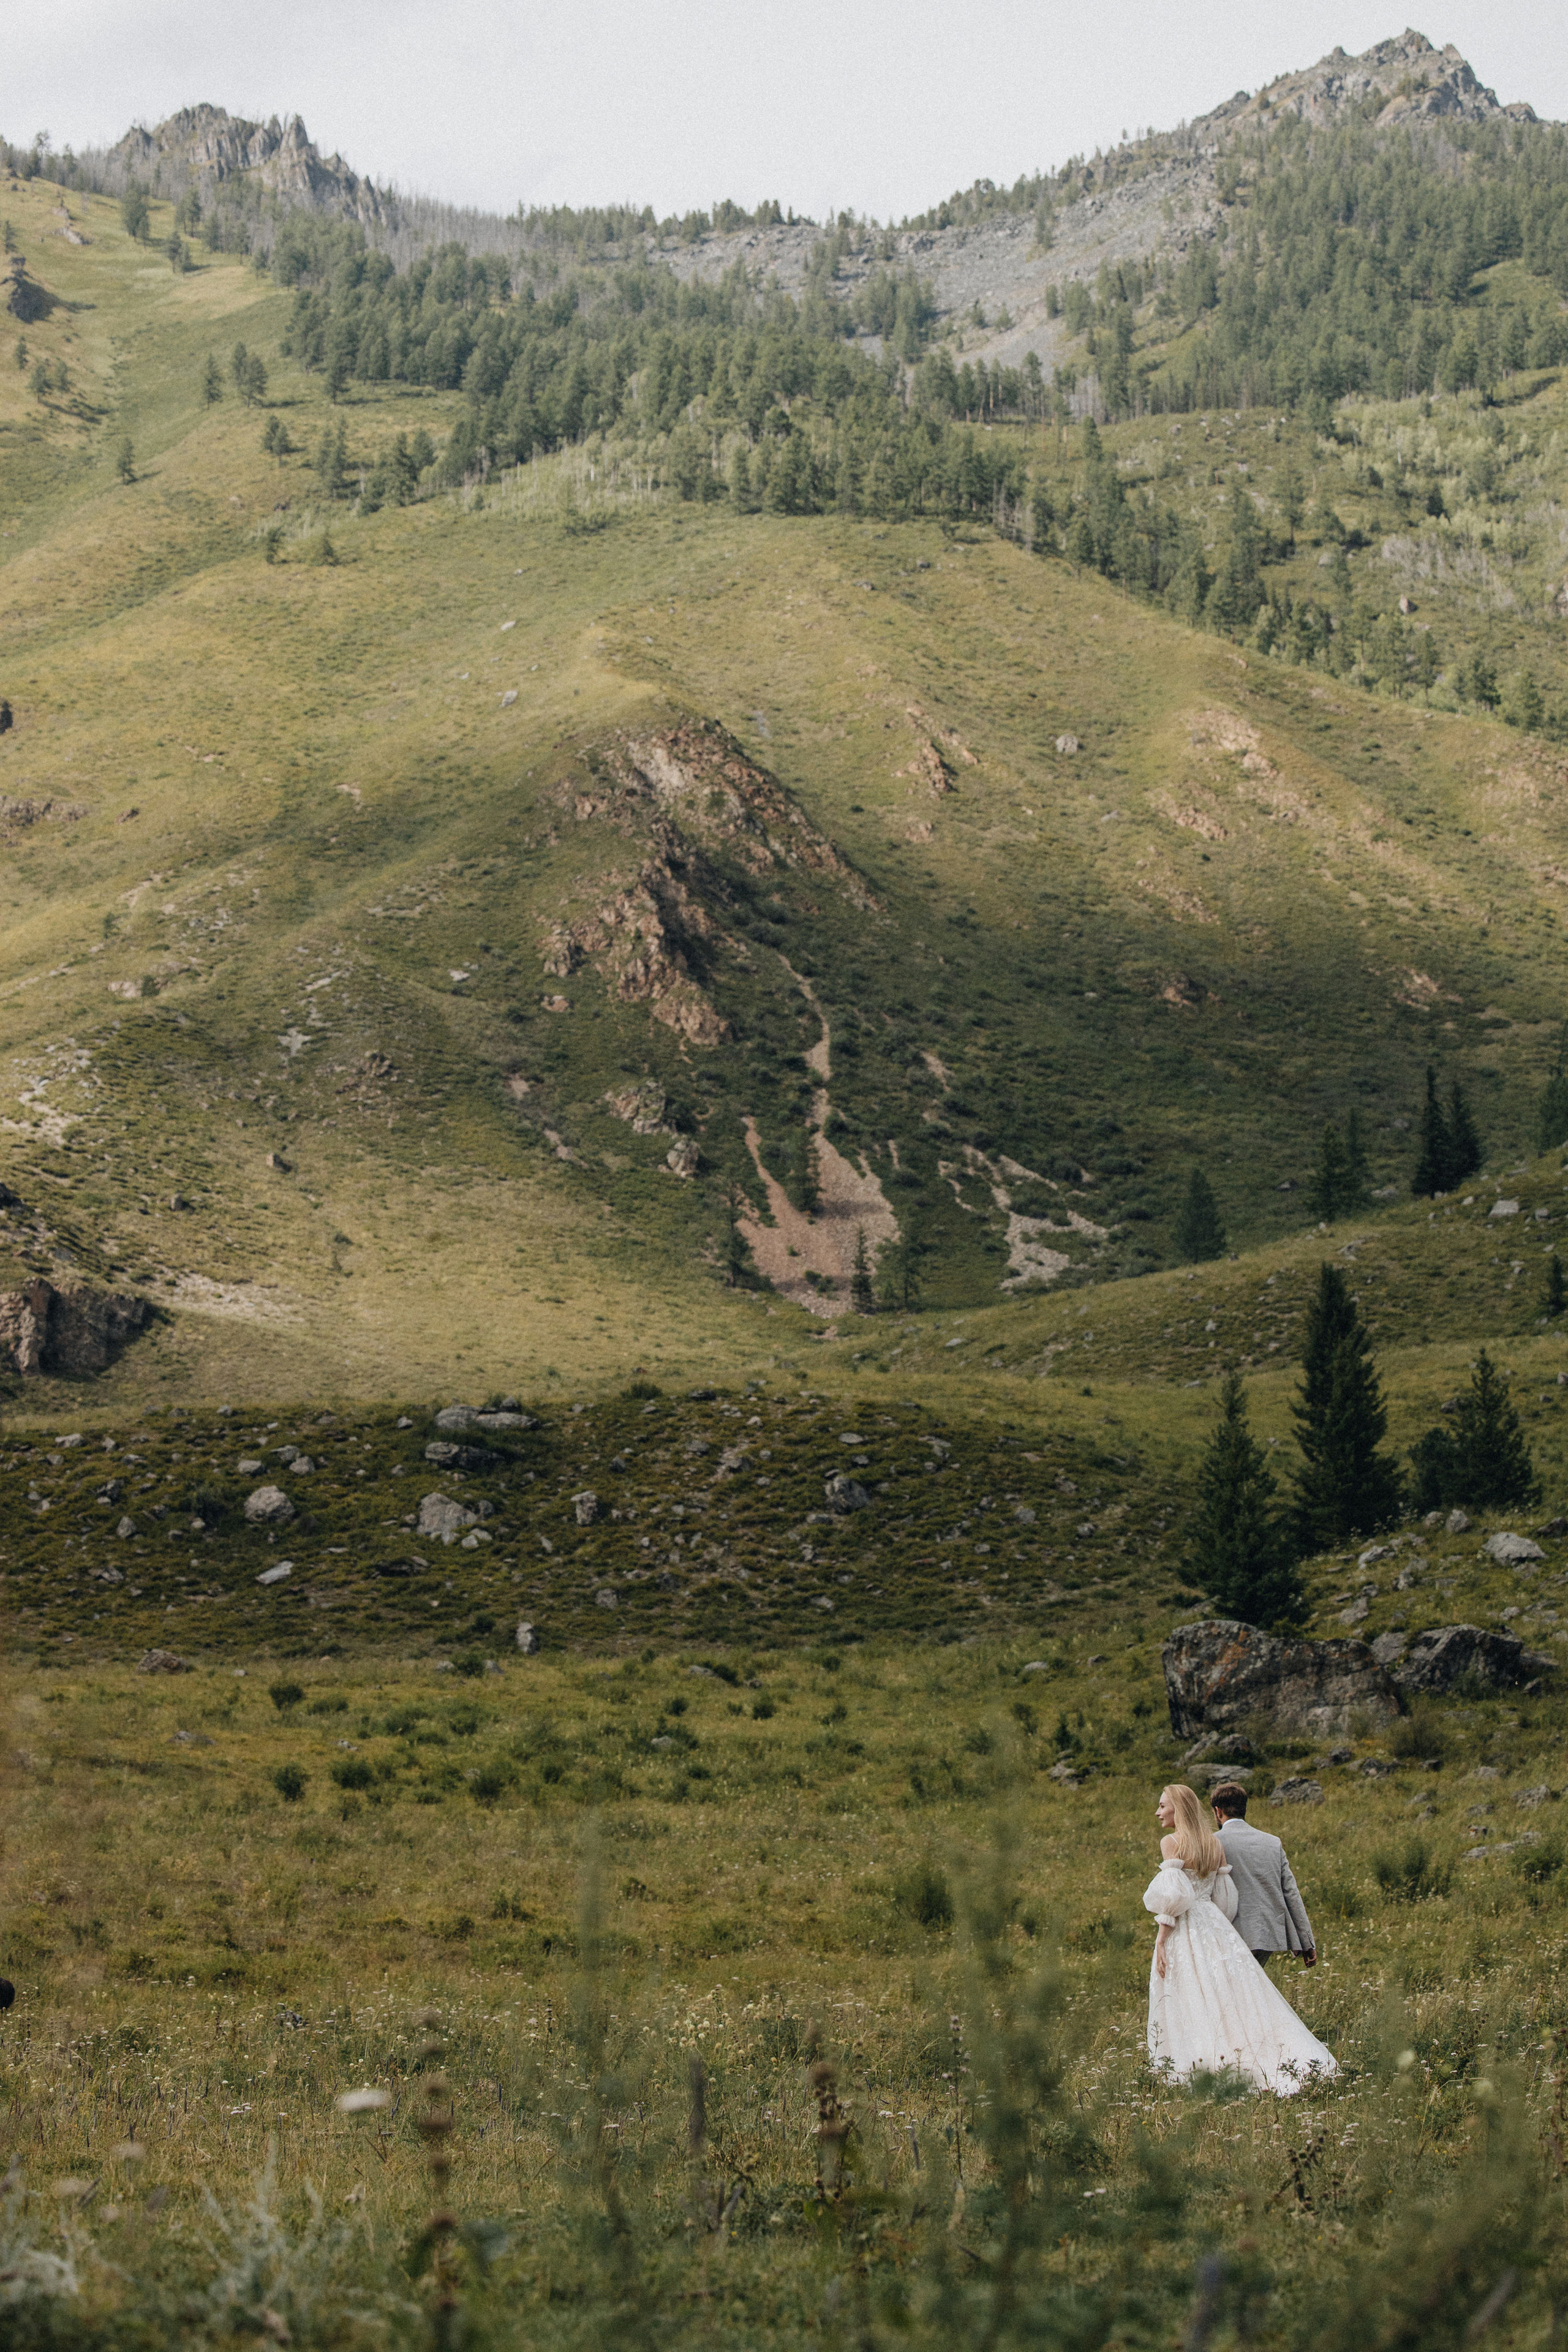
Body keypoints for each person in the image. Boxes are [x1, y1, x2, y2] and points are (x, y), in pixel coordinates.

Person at [1144, 1782, 1336, 2095]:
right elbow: (1232, 1897)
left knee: (1197, 1996)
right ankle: (1253, 2053)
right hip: (1221, 1927)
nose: (1158, 1811)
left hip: (1193, 1927)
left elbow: (1175, 1895)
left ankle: (1207, 2062)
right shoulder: (1226, 1845)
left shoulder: (1175, 1842)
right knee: (1239, 1999)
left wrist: (1163, 1939)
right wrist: (1305, 1941)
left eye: (1163, 1805)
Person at [1210, 1782, 1317, 1970]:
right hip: (1266, 1934)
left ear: (1218, 1811)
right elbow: (1291, 1892)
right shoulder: (1272, 1843)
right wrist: (1307, 1942)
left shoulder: (1212, 1842)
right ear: (1244, 1809)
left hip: (1228, 1933)